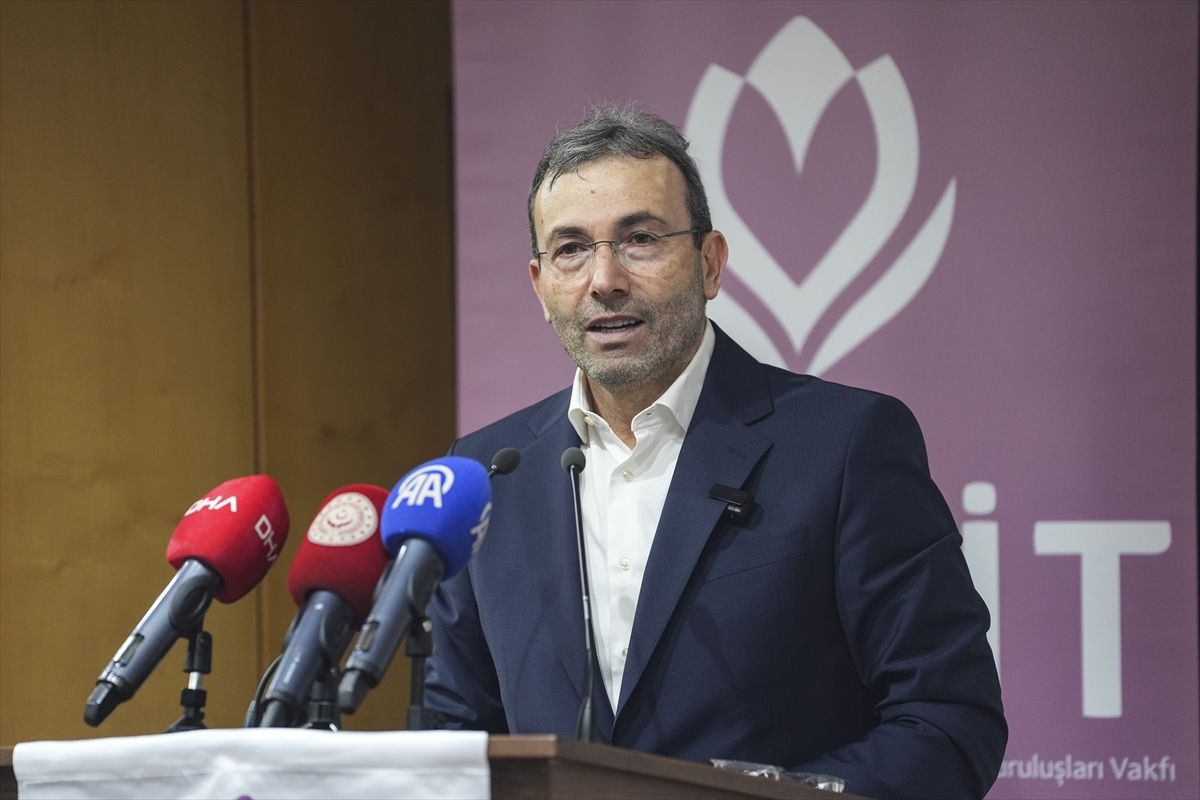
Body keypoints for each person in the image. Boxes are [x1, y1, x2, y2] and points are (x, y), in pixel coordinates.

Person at [426, 103, 1006, 799]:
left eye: (640, 239)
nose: (604, 279)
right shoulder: (489, 473)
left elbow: (947, 720)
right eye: (571, 249)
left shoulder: (843, 444)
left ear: (710, 263)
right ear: (540, 286)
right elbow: (452, 738)